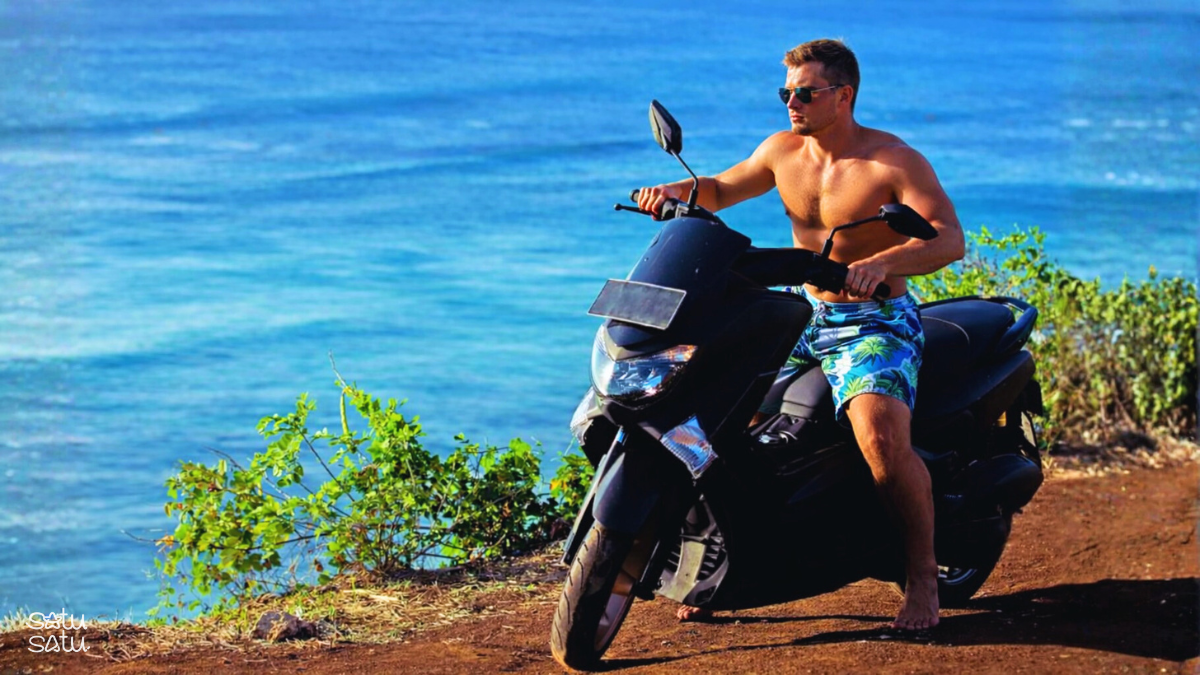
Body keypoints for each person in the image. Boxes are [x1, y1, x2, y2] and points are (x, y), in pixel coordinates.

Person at [636, 38, 964, 632]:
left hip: (873, 321)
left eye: (805, 93)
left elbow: (948, 238)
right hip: (801, 310)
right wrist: (672, 192)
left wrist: (884, 263)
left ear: (843, 96)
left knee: (881, 440)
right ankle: (723, 567)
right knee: (714, 418)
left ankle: (921, 576)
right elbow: (720, 189)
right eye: (786, 92)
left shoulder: (893, 162)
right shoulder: (781, 151)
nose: (792, 103)